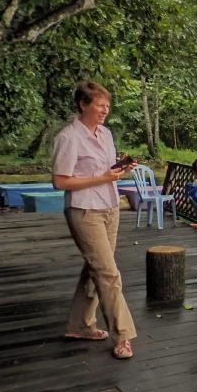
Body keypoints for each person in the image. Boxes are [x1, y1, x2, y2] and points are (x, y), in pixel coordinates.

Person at [52, 81, 137, 360]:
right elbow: (60, 181)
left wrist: (120, 167)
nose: (105, 110)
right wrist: (102, 178)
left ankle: (80, 325)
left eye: (107, 106)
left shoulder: (106, 134)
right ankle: (123, 336)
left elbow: (104, 170)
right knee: (108, 274)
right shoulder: (68, 137)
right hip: (84, 211)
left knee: (96, 269)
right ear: (83, 104)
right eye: (100, 105)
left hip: (109, 207)